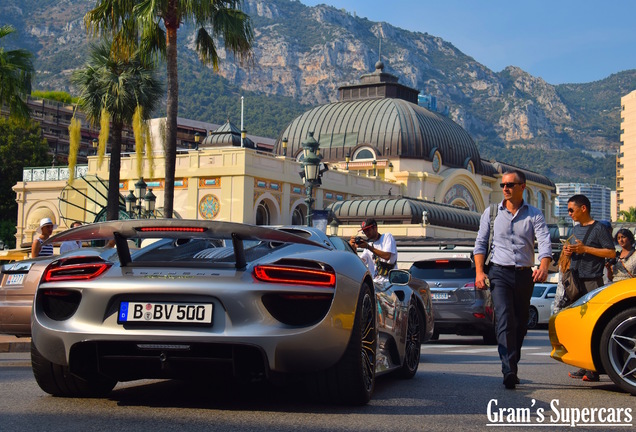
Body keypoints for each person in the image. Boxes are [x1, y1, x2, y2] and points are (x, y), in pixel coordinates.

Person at [474, 169, 552, 390]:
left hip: (524, 274)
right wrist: (480, 272)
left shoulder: (534, 214)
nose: (505, 188)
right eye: (503, 185)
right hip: (499, 272)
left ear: (522, 187)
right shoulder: (491, 213)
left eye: (510, 185)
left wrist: (544, 265)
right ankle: (508, 369)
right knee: (505, 318)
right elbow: (480, 244)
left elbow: (545, 242)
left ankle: (512, 362)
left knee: (520, 322)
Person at [563, 194, 615, 382]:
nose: (569, 214)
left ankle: (593, 369)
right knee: (579, 326)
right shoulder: (575, 229)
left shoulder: (599, 228)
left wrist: (586, 249)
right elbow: (575, 249)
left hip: (592, 281)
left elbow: (610, 252)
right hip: (575, 281)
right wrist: (569, 251)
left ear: (583, 208)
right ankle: (584, 365)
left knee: (593, 325)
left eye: (571, 210)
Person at [349, 218, 397, 285]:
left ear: (375, 228)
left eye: (367, 230)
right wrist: (353, 249)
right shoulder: (368, 245)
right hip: (374, 284)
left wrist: (368, 247)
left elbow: (387, 256)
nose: (366, 233)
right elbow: (359, 264)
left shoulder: (387, 237)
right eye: (364, 231)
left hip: (388, 282)